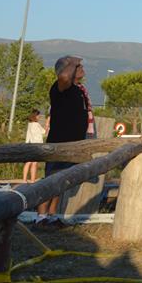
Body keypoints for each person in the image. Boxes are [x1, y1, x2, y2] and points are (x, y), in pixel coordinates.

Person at [35, 56, 96, 225]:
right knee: (50, 180)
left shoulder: (78, 90)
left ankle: (52, 215)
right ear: (68, 70)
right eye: (78, 66)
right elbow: (63, 77)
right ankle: (40, 217)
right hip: (59, 142)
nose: (81, 67)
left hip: (73, 143)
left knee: (61, 181)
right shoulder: (60, 87)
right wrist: (71, 63)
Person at [22, 109, 46, 183]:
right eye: (38, 115)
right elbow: (44, 133)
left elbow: (28, 136)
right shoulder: (37, 124)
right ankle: (32, 180)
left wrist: (26, 145)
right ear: (35, 116)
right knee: (34, 163)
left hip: (31, 145)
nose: (39, 117)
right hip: (37, 146)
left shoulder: (30, 124)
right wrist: (47, 125)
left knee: (28, 162)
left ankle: (24, 179)